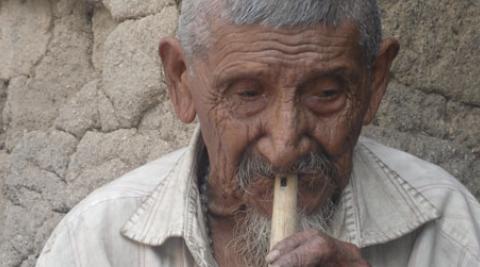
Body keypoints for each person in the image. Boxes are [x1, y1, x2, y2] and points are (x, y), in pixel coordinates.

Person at [36, 0, 480, 266]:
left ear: (374, 81)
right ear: (181, 80)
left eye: (325, 93)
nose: (285, 147)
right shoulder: (96, 243)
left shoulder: (448, 229)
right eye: (247, 94)